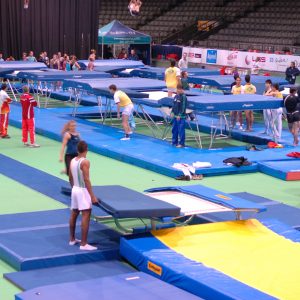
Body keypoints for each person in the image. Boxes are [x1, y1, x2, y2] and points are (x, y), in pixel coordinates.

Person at [69, 140, 98, 251]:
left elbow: (70, 178)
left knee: (74, 213)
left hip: (75, 188)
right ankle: (84, 244)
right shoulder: (85, 162)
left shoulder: (72, 160)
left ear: (77, 150)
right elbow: (86, 179)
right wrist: (92, 196)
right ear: (86, 150)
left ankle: (72, 239)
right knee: (86, 215)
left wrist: (73, 189)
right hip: (82, 190)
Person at [171, 84, 187, 148]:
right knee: (174, 129)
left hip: (181, 117)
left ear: (183, 90)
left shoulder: (183, 97)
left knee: (181, 130)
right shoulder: (175, 96)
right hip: (175, 116)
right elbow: (174, 105)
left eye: (180, 89)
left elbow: (183, 107)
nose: (178, 90)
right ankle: (174, 142)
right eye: (178, 89)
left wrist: (179, 115)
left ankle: (182, 143)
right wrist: (172, 112)